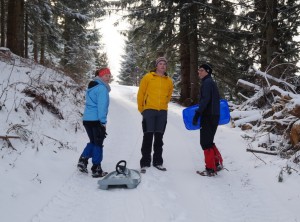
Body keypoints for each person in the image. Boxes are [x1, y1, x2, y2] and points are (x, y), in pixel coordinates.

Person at [137, 57, 174, 173]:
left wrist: (163, 105)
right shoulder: (148, 77)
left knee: (159, 138)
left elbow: (169, 95)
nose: (162, 66)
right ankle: (145, 162)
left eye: (164, 64)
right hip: (149, 111)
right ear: (156, 66)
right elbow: (141, 93)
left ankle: (158, 162)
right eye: (160, 64)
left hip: (162, 112)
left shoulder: (169, 81)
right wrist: (142, 109)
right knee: (147, 137)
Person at [77, 68, 111, 178]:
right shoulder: (102, 88)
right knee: (98, 144)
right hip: (96, 120)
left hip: (87, 119)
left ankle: (83, 160)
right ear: (99, 76)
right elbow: (102, 107)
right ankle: (96, 168)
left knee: (93, 141)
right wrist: (103, 121)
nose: (108, 77)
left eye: (109, 76)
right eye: (105, 75)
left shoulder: (92, 87)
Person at [192, 63, 223, 176]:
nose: (199, 72)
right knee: (209, 141)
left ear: (207, 71)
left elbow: (205, 100)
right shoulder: (210, 83)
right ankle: (216, 164)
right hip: (214, 115)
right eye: (198, 70)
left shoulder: (207, 83)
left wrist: (197, 114)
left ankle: (210, 169)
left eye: (201, 70)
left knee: (205, 142)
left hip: (208, 115)